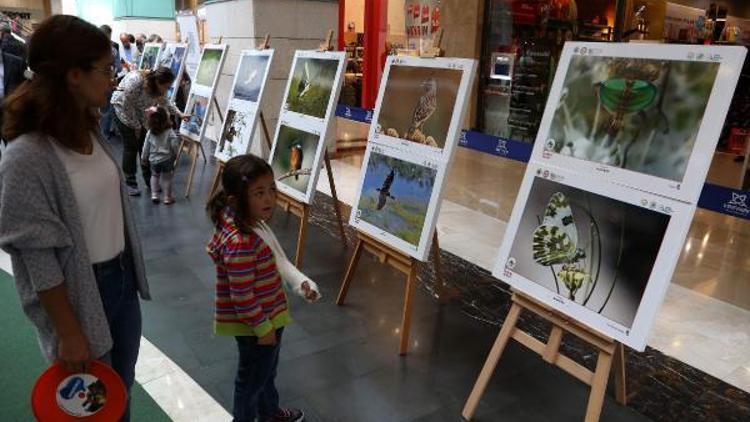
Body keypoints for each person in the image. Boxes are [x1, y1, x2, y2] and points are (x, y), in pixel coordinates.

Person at [0, 15, 150, 422]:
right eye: (105, 69)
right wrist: (67, 330)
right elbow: (35, 253)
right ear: (73, 75)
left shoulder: (88, 130)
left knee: (119, 386)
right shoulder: (27, 156)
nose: (113, 76)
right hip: (81, 293)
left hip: (120, 283)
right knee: (91, 403)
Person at [206, 154, 321, 422]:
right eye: (259, 192)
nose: (269, 198)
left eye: (271, 189)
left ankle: (269, 412)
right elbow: (242, 295)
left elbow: (277, 258)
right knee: (250, 382)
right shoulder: (241, 241)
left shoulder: (247, 223)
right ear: (236, 199)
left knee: (265, 373)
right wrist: (263, 328)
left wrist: (300, 282)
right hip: (258, 325)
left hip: (266, 317)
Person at [110, 66, 188, 196]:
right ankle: (130, 183)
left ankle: (150, 181)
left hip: (139, 114)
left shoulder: (158, 89)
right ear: (159, 82)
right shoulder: (135, 81)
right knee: (131, 146)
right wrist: (137, 127)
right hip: (121, 109)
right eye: (167, 86)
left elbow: (166, 102)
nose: (167, 90)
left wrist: (180, 114)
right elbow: (127, 105)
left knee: (145, 146)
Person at [141, 105, 179, 204]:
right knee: (167, 178)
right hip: (167, 159)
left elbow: (146, 146)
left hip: (153, 160)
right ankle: (167, 198)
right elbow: (174, 143)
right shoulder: (169, 131)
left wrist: (144, 157)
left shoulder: (150, 132)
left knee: (154, 176)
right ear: (166, 119)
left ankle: (154, 195)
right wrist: (176, 154)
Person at [99, 24, 121, 139]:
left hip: (95, 83)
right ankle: (105, 133)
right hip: (108, 81)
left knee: (102, 108)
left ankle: (101, 133)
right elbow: (118, 67)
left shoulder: (91, 47)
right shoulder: (112, 49)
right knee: (107, 108)